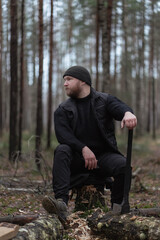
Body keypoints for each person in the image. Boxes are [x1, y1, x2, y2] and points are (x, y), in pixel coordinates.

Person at [42, 66, 137, 222]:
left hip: (104, 156)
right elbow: (63, 136)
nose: (65, 84)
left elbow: (120, 107)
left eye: (69, 79)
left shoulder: (104, 100)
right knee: (62, 150)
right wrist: (83, 148)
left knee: (123, 166)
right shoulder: (63, 109)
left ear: (83, 81)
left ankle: (117, 210)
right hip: (77, 158)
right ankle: (61, 203)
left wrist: (127, 113)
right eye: (64, 80)